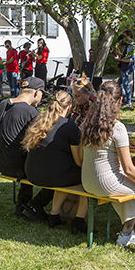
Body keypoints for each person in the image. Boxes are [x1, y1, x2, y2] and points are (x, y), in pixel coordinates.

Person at [81, 81, 135, 256]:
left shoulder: (87, 123)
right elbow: (128, 168)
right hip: (107, 183)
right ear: (120, 101)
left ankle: (126, 234)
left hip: (88, 181)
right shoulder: (117, 127)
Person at [22, 90, 89, 234]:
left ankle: (54, 215)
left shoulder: (39, 120)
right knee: (88, 180)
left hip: (31, 173)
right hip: (53, 177)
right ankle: (79, 220)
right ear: (69, 108)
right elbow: (78, 162)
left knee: (62, 175)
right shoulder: (69, 126)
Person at [0, 76, 52, 218]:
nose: (41, 99)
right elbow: (43, 141)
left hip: (0, 162)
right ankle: (35, 205)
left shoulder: (3, 104)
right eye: (42, 94)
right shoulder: (30, 112)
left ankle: (22, 202)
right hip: (18, 168)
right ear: (37, 92)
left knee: (26, 154)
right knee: (58, 170)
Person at [115, 31, 135, 108]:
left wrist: (119, 59)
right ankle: (123, 99)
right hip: (124, 68)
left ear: (128, 36)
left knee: (126, 85)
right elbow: (125, 57)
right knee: (119, 84)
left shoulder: (131, 46)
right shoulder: (128, 45)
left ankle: (128, 101)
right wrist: (120, 54)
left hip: (127, 69)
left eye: (124, 36)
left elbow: (130, 60)